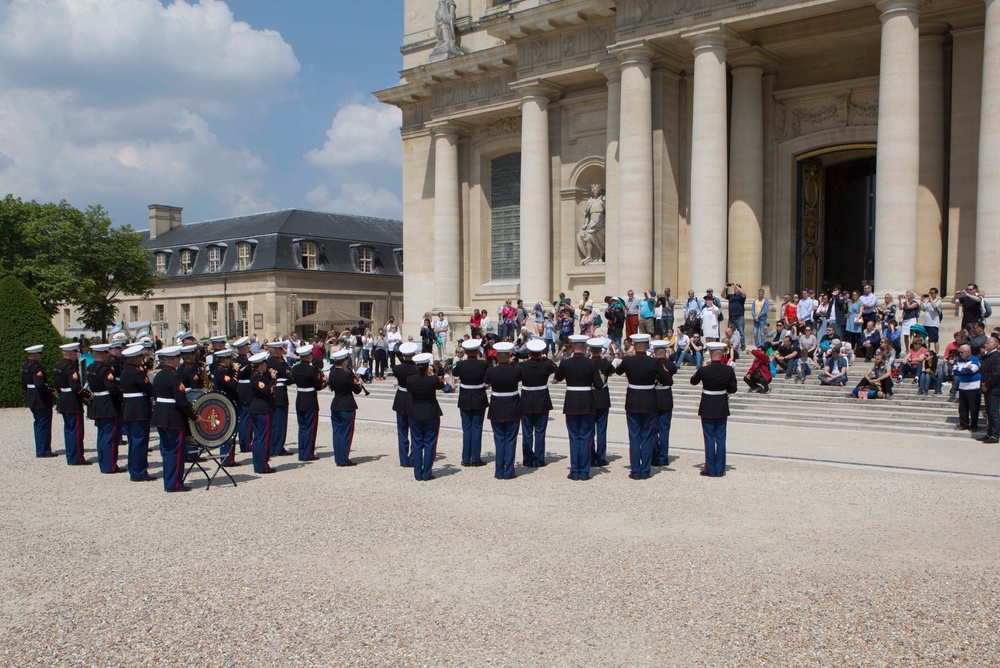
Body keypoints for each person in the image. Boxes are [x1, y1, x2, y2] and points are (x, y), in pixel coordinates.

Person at [614, 334, 671, 480]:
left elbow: (618, 371)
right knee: (646, 436)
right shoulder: (654, 363)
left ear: (634, 345)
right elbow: (668, 380)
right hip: (649, 401)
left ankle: (635, 469)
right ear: (647, 346)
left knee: (634, 436)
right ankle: (645, 470)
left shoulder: (628, 361)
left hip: (633, 400)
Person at [151, 345, 201, 492]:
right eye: (178, 357)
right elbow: (181, 401)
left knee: (167, 450)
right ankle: (175, 483)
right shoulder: (175, 376)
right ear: (172, 360)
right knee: (176, 450)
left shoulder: (159, 375)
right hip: (173, 416)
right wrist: (194, 416)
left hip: (160, 414)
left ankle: (169, 480)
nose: (180, 359)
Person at [555, 334, 601, 481]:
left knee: (574, 437)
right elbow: (599, 385)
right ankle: (584, 471)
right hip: (587, 400)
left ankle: (575, 470)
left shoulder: (566, 363)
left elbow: (558, 378)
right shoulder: (591, 364)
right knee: (586, 437)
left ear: (573, 347)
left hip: (571, 401)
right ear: (585, 347)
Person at [690, 342, 738, 478]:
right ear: (722, 353)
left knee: (709, 438)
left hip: (707, 405)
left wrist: (700, 368)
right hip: (721, 404)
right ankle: (720, 468)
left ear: (711, 354)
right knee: (721, 438)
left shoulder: (704, 370)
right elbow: (733, 389)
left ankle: (710, 469)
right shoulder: (728, 370)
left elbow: (693, 381)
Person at [485, 342, 523, 479]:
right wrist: (512, 362)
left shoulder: (491, 371)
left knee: (499, 440)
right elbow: (520, 376)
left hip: (496, 407)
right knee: (511, 440)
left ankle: (499, 470)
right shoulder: (516, 370)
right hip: (512, 407)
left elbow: (487, 382)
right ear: (509, 355)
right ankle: (509, 471)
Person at [119, 344, 156, 481]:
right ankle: (139, 471)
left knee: (133, 441)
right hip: (139, 409)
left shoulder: (125, 372)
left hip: (129, 408)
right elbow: (148, 389)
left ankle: (134, 468)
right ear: (134, 359)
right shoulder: (138, 373)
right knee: (140, 442)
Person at [87, 344, 124, 474]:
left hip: (97, 403)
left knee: (102, 435)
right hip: (108, 405)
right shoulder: (105, 370)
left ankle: (103, 463)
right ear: (103, 355)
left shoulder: (90, 368)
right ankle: (110, 465)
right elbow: (112, 387)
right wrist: (123, 392)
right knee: (111, 436)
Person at [407, 353, 443, 481]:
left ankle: (418, 473)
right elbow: (441, 386)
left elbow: (410, 391)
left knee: (416, 444)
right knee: (429, 443)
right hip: (431, 412)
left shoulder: (410, 380)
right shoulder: (433, 379)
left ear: (417, 367)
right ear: (428, 366)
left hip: (415, 413)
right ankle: (427, 473)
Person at [453, 339, 489, 467]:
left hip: (465, 397)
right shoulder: (483, 364)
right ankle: (475, 457)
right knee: (477, 428)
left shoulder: (461, 364)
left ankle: (466, 458)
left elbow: (454, 372)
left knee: (466, 428)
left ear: (466, 352)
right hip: (478, 396)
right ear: (477, 350)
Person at [54, 343, 88, 465]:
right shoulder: (70, 368)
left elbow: (57, 386)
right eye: (75, 352)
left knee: (69, 430)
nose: (76, 355)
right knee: (76, 431)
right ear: (70, 353)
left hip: (63, 399)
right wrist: (88, 395)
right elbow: (76, 387)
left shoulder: (58, 366)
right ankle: (77, 458)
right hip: (72, 401)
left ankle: (71, 455)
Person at [327, 349, 362, 467]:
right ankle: (344, 459)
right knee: (346, 433)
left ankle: (338, 457)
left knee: (337, 433)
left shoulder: (332, 373)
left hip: (336, 403)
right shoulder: (347, 375)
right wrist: (359, 384)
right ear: (343, 362)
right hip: (347, 404)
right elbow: (356, 390)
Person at [291, 344, 324, 462]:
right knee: (310, 427)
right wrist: (324, 382)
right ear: (309, 356)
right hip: (310, 399)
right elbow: (318, 386)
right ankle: (308, 453)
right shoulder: (312, 369)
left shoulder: (295, 368)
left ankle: (301, 452)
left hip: (300, 397)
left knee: (302, 427)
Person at [21, 345, 56, 458]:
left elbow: (23, 385)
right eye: (40, 355)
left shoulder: (25, 366)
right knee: (43, 424)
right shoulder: (37, 368)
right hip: (40, 399)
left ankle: (41, 448)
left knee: (38, 424)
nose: (41, 357)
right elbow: (40, 384)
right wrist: (51, 390)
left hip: (31, 397)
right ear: (35, 355)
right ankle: (44, 450)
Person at [209, 348, 241, 467]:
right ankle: (227, 459)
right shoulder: (221, 372)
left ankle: (229, 458)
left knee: (231, 431)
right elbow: (232, 384)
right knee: (229, 431)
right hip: (227, 403)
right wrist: (236, 371)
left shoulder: (223, 371)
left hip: (227, 401)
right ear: (225, 359)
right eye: (230, 358)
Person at [390, 341, 419, 467]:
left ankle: (403, 459)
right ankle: (413, 457)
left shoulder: (397, 368)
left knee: (402, 431)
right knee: (415, 431)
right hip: (413, 398)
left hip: (401, 398)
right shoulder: (417, 368)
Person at [650, 339, 678, 467]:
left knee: (653, 429)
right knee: (664, 430)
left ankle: (654, 455)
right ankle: (663, 456)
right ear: (665, 351)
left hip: (654, 396)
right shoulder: (670, 365)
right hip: (665, 397)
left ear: (655, 351)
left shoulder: (651, 364)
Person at [588, 337, 615, 468]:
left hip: (590, 397)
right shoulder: (605, 364)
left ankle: (591, 456)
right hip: (603, 396)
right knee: (601, 430)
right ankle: (601, 457)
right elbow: (612, 370)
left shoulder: (587, 363)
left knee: (590, 430)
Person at [247, 351, 275, 474]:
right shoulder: (257, 377)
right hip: (262, 408)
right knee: (263, 438)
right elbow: (266, 390)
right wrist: (273, 380)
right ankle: (263, 465)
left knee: (258, 438)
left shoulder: (258, 375)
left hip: (256, 407)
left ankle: (258, 464)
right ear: (261, 364)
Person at [265, 340, 292, 457]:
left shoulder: (265, 363)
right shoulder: (281, 364)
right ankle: (278, 447)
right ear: (277, 351)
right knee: (280, 422)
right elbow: (290, 378)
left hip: (269, 393)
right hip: (280, 393)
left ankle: (271, 446)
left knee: (272, 422)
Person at [231, 336, 254, 455]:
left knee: (242, 418)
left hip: (239, 388)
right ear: (244, 348)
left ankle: (244, 442)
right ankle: (246, 443)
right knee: (247, 418)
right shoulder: (246, 361)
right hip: (246, 389)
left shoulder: (235, 361)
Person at [977, 336, 1000, 443]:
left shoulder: (996, 357)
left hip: (993, 389)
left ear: (993, 345)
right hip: (987, 389)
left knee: (994, 413)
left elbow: (996, 373)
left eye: (987, 343)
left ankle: (995, 435)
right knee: (989, 412)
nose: (985, 345)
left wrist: (987, 384)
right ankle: (989, 433)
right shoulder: (989, 356)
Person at [954, 344, 982, 432]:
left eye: (962, 352)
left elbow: (971, 370)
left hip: (973, 386)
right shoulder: (959, 360)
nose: (960, 354)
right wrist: (964, 369)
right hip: (962, 386)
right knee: (962, 407)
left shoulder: (974, 359)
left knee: (974, 407)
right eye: (959, 352)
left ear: (968, 352)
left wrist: (961, 369)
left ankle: (974, 425)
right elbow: (954, 371)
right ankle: (963, 424)